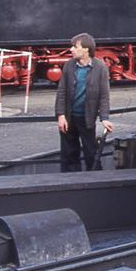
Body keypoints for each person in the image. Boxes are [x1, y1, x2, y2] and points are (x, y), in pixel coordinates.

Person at [54, 33, 113, 171]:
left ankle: (94, 183)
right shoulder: (69, 66)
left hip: (87, 118)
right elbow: (61, 91)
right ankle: (70, 183)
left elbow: (104, 95)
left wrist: (104, 118)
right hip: (69, 118)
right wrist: (61, 115)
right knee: (69, 155)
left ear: (86, 49)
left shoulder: (100, 67)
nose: (71, 50)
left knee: (91, 154)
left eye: (75, 47)